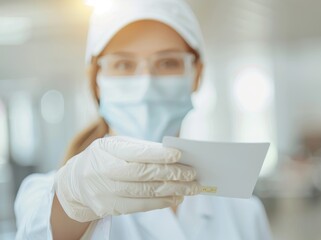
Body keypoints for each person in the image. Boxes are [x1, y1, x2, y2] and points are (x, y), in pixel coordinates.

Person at [14, 0, 272, 239]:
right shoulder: (50, 196)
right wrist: (72, 200)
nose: (146, 82)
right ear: (96, 81)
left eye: (168, 62)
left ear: (196, 75)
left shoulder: (244, 212)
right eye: (124, 65)